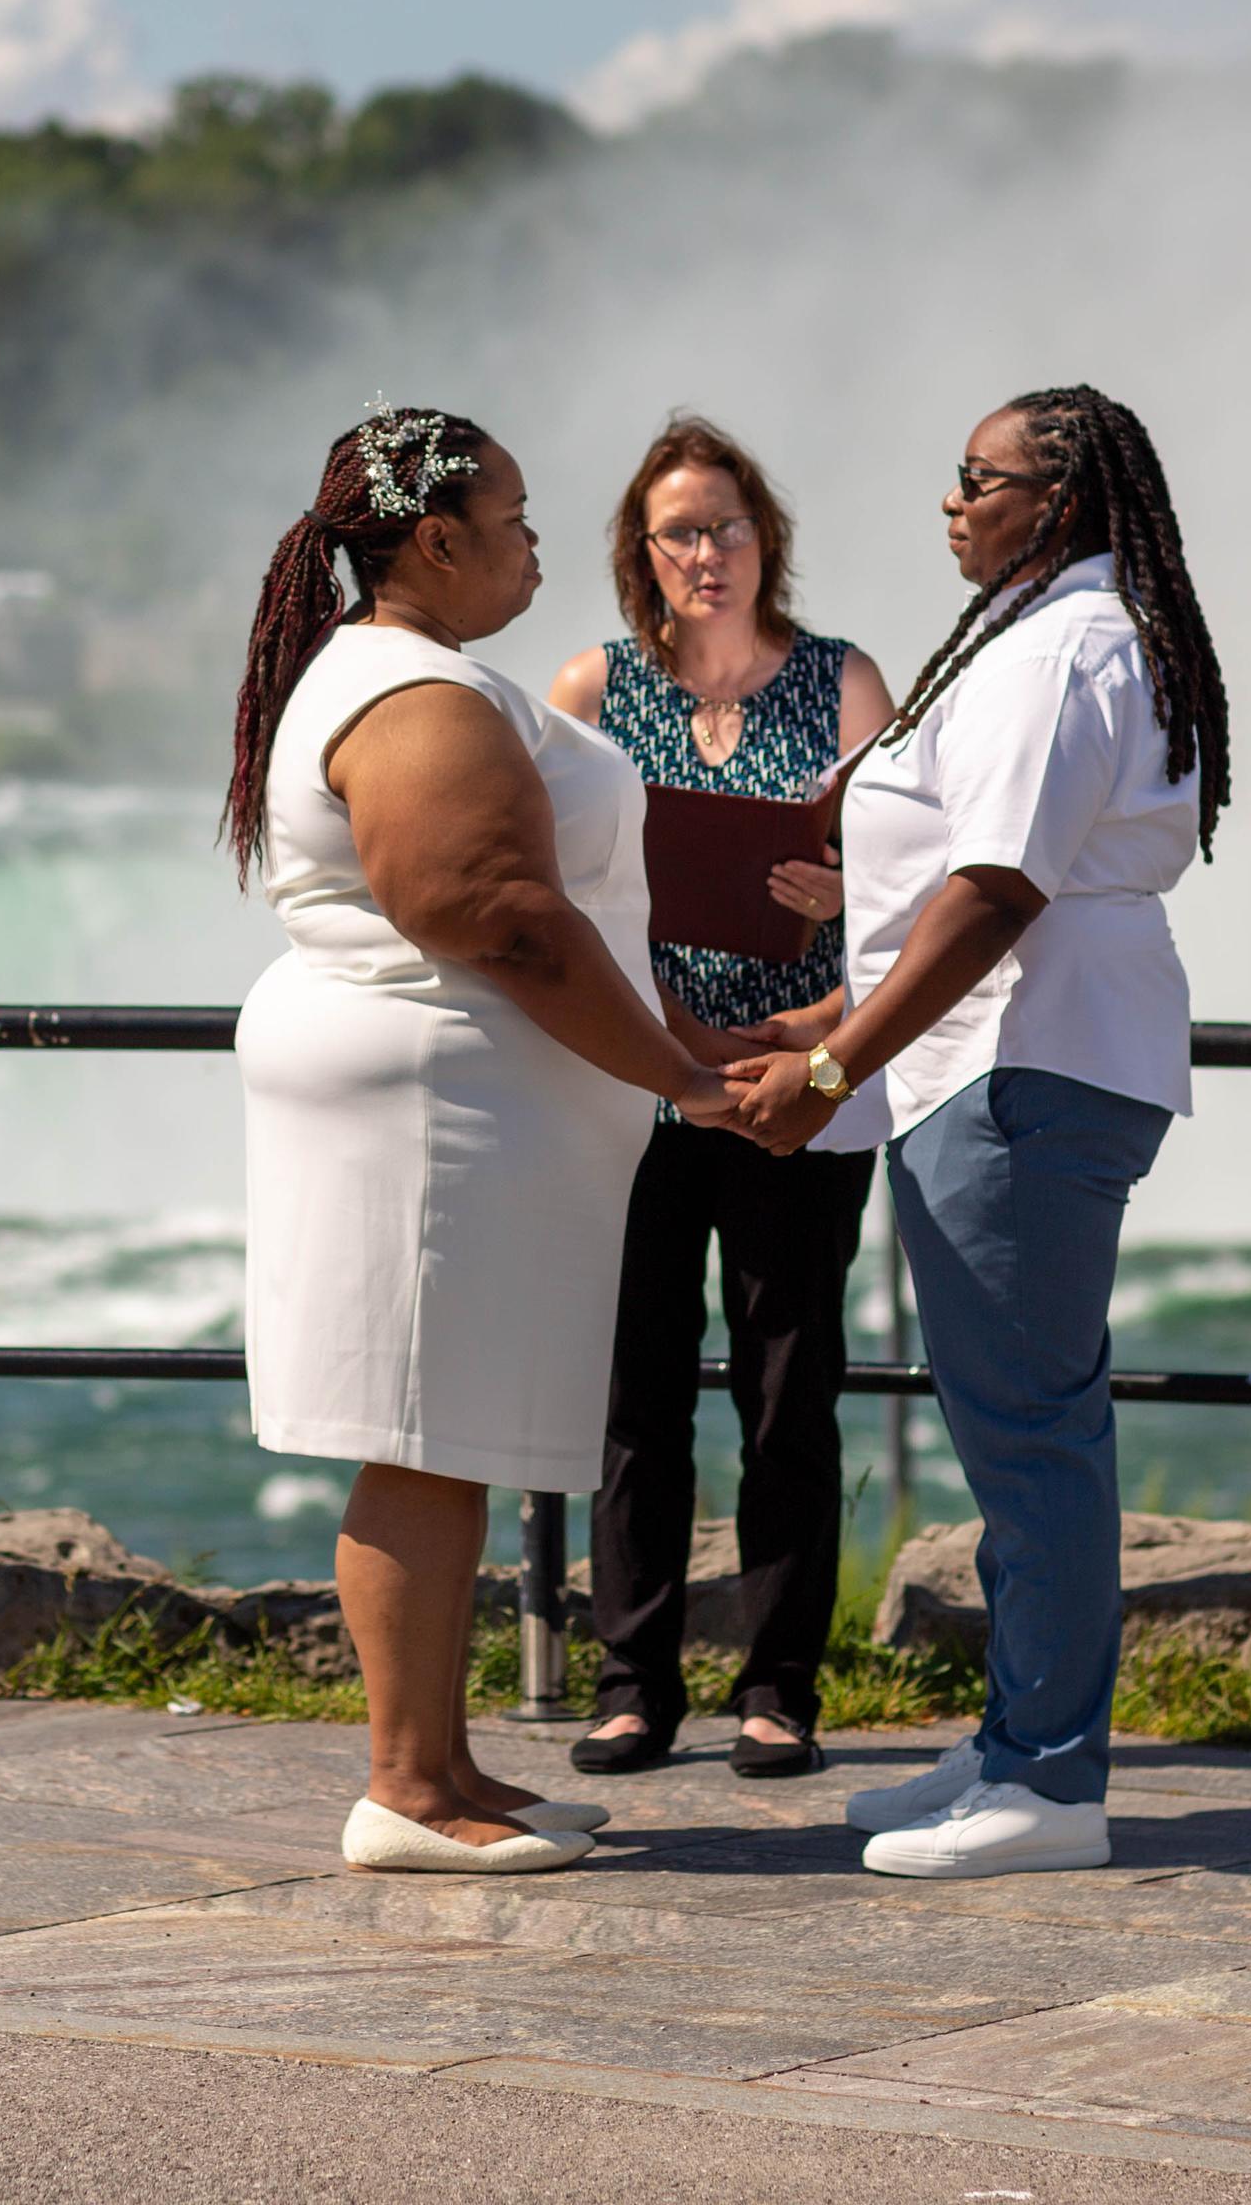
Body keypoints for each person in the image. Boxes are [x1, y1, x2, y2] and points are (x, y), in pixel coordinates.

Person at [722, 384, 1232, 1882]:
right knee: (1017, 1429)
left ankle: (1055, 1782)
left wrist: (832, 1070)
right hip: (1006, 1061)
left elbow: (997, 889)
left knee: (1032, 1436)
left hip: (1024, 1067)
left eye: (980, 478)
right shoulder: (1048, 637)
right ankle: (1019, 1744)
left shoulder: (1064, 650)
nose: (951, 500)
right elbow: (957, 884)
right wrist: (831, 1029)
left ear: (1060, 502)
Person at [229, 404, 741, 1877]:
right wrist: (683, 1081)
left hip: (461, 1105)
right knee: (414, 1432)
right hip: (431, 1116)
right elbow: (500, 920)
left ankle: (445, 1760)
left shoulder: (424, 676)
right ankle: (403, 1785)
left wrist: (684, 1047)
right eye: (514, 518)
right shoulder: (409, 695)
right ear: (438, 538)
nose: (535, 543)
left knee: (441, 1435)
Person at [548, 417, 896, 1781]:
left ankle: (781, 1691)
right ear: (643, 552)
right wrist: (675, 1052)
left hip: (791, 1082)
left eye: (727, 527)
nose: (706, 553)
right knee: (635, 1396)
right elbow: (554, 881)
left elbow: (922, 889)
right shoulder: (591, 685)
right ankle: (633, 1685)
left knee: (789, 1389)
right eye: (679, 532)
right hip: (642, 1084)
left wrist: (847, 891)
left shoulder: (844, 680)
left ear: (770, 540)